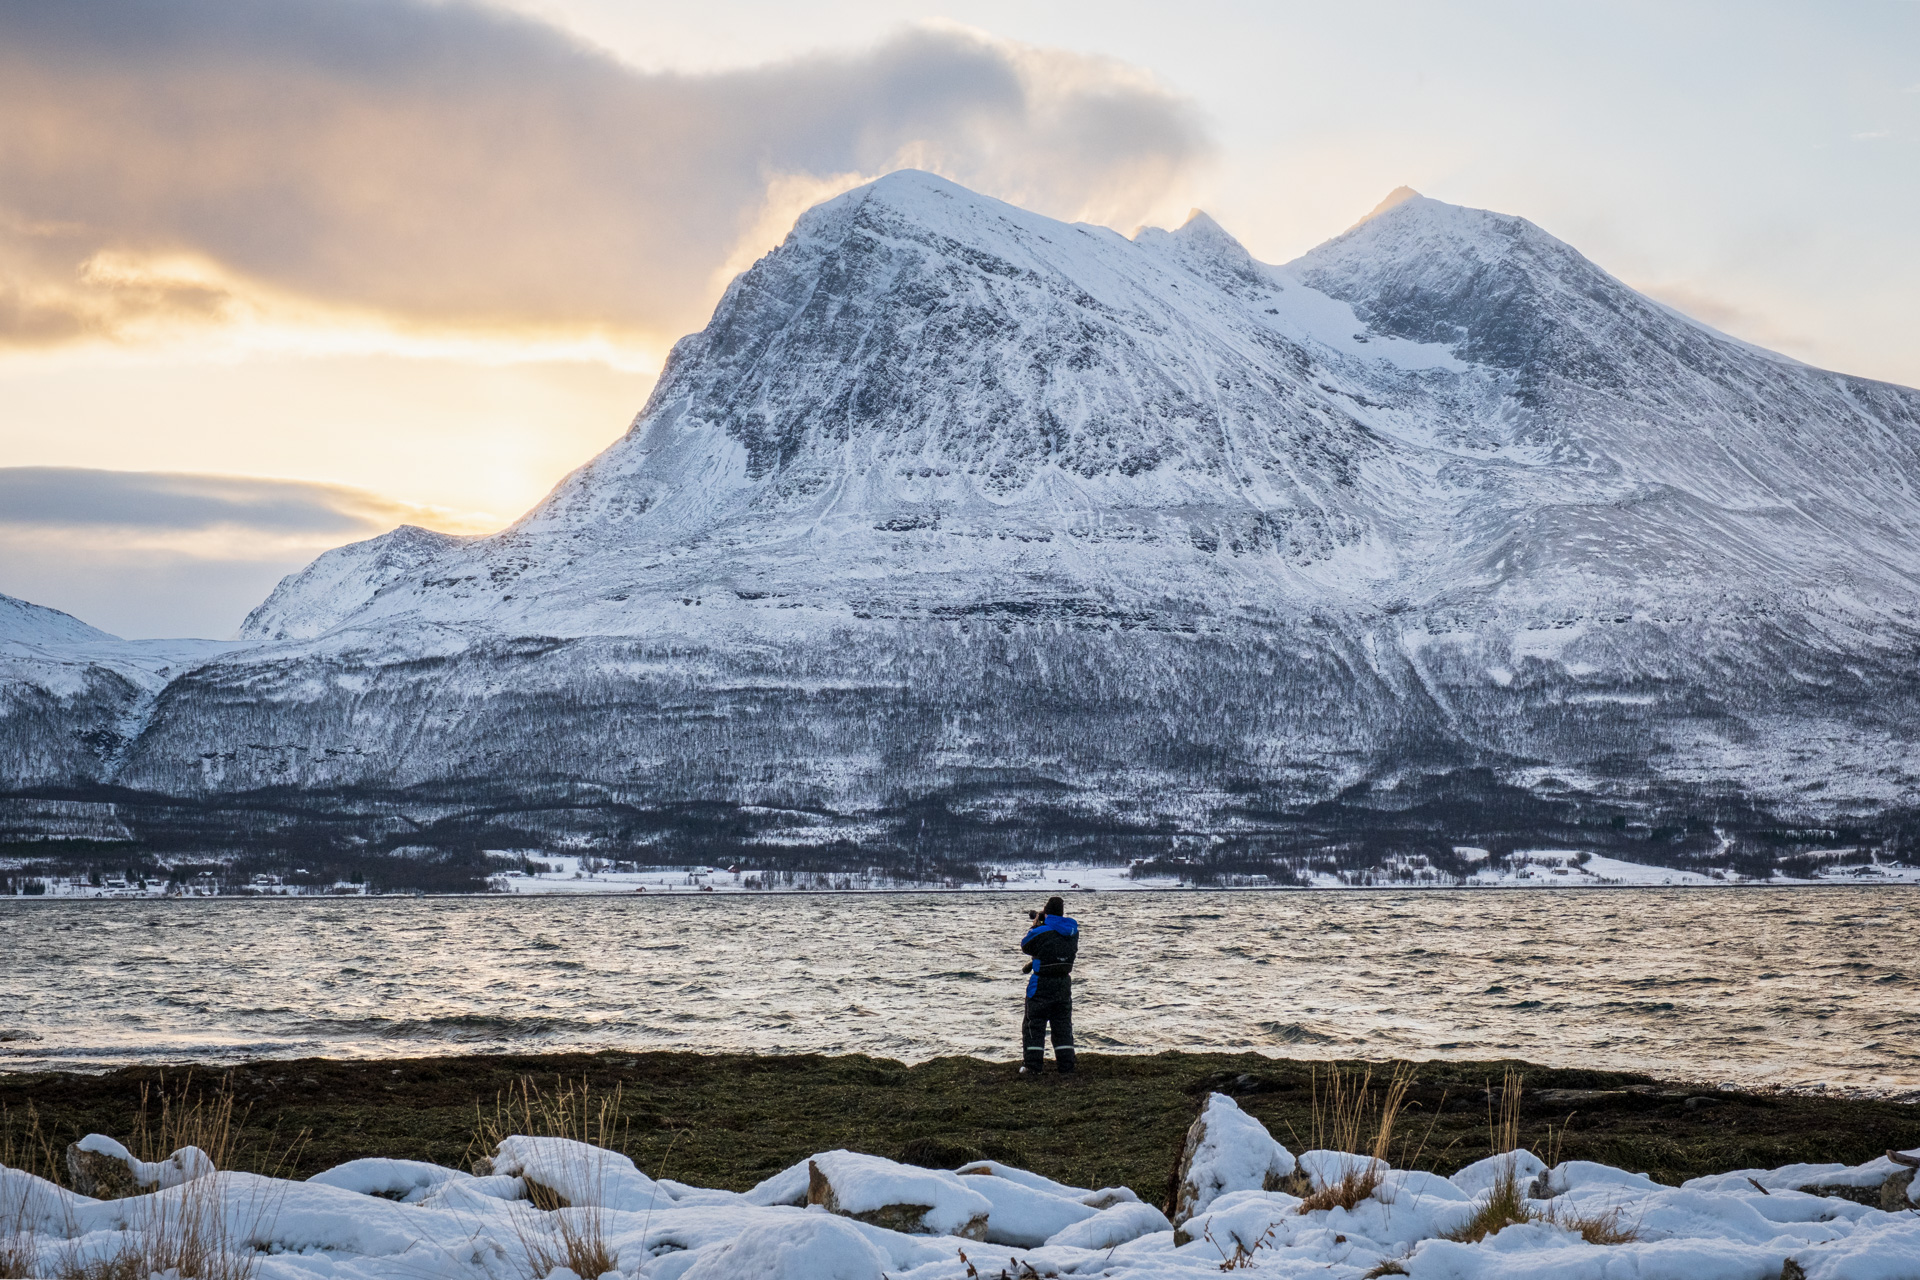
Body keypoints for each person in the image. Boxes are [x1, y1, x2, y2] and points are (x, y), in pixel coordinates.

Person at [1019, 895, 1078, 1075]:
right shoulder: (1072, 931)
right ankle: (1066, 1066)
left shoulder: (1041, 931)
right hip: (1063, 982)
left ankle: (1032, 1067)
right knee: (1062, 1024)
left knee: (1034, 1024)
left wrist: (1036, 924)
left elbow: (1026, 945)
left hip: (1041, 983)